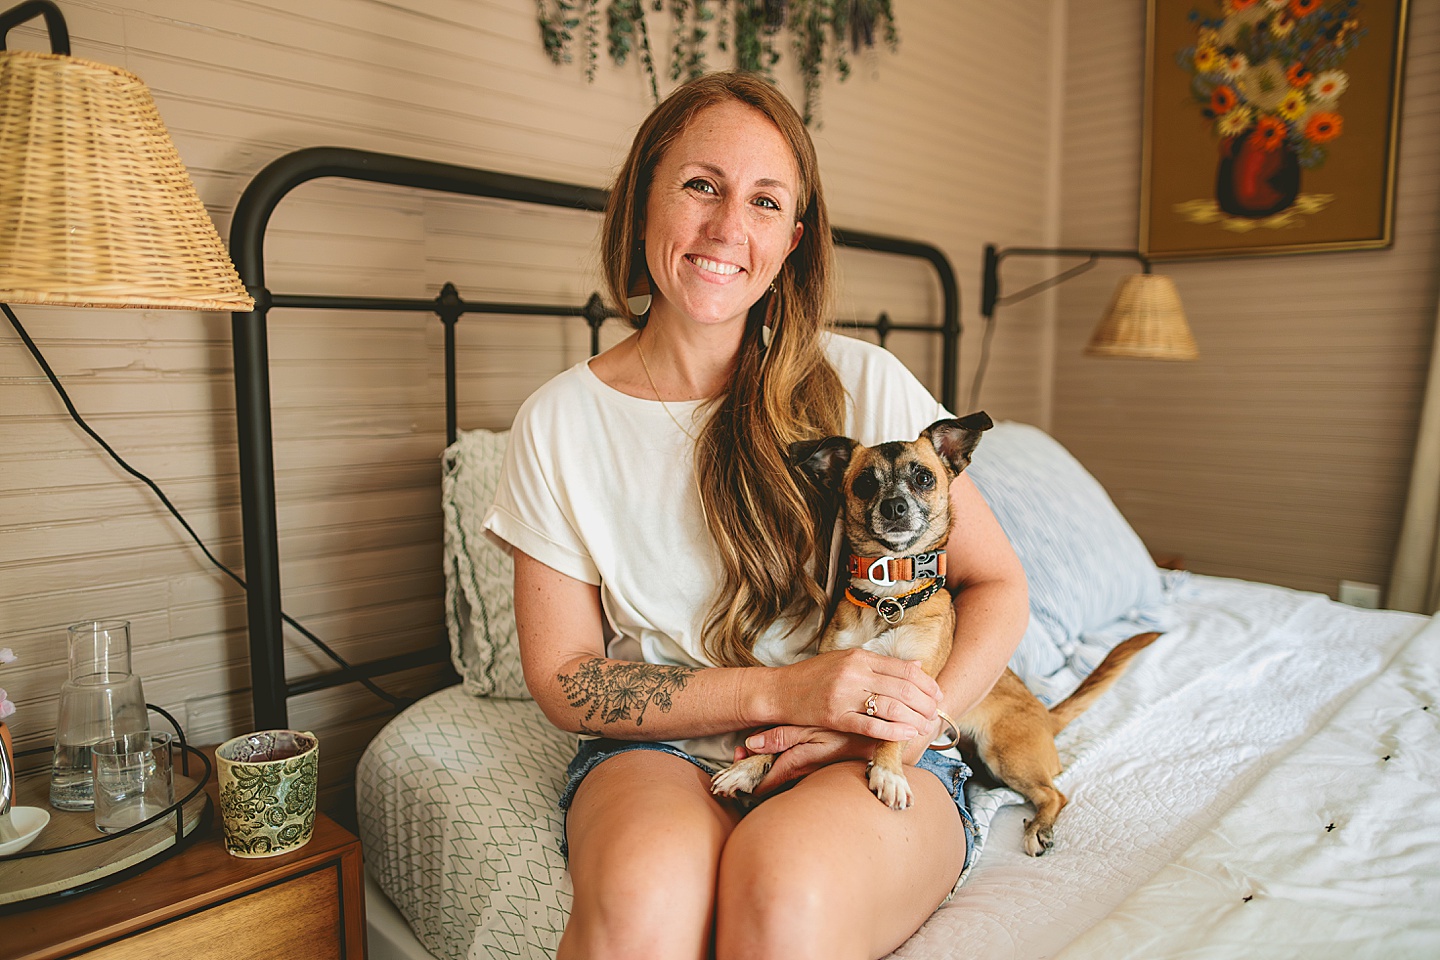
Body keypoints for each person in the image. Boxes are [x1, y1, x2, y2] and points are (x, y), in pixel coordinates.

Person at [483, 71, 1028, 960]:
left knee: (782, 900)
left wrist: (911, 720)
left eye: (765, 202)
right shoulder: (560, 422)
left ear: (791, 241)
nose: (728, 228)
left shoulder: (868, 385)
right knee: (640, 919)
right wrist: (781, 692)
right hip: (662, 750)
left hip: (869, 745)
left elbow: (996, 583)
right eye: (701, 185)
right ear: (642, 202)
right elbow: (566, 682)